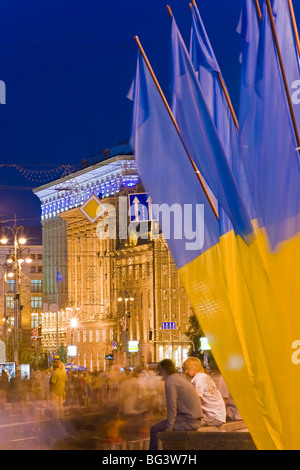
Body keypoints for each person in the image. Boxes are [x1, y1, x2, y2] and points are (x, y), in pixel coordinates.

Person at [149, 359, 203, 451]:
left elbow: (172, 406)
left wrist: (169, 427)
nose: (160, 374)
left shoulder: (170, 381)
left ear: (163, 369)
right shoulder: (180, 378)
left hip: (188, 421)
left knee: (154, 429)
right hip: (196, 419)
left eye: (160, 370)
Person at [183, 357, 226, 427]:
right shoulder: (205, 376)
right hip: (218, 416)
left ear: (195, 368)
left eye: (187, 369)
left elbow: (197, 398)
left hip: (212, 416)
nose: (185, 372)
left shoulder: (199, 378)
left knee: (185, 424)